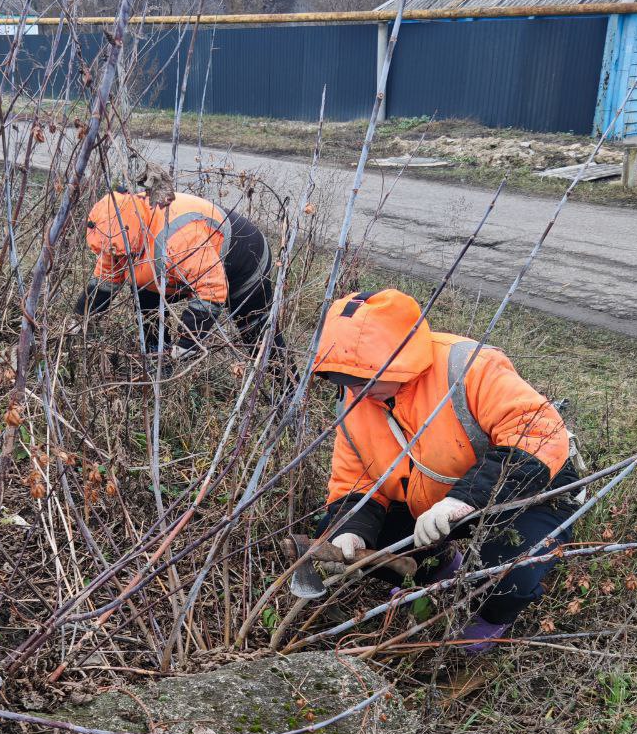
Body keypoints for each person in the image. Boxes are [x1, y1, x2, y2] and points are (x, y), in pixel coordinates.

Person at [311, 288, 580, 654]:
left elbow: (537, 435)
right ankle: (443, 571)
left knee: (504, 576)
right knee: (356, 541)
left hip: (531, 489)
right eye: (344, 381)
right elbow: (354, 481)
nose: (355, 391)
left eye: (366, 379)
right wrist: (350, 533)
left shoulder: (469, 367)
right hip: (434, 503)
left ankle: (487, 620)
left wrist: (461, 501)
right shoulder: (357, 399)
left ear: (399, 361)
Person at [70, 181, 283, 364]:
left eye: (120, 253)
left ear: (134, 233)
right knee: (144, 288)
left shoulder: (178, 237)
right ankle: (157, 355)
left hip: (243, 256)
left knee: (255, 332)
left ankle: (287, 394)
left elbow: (211, 292)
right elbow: (104, 282)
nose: (117, 258)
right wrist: (80, 320)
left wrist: (187, 343)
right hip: (187, 263)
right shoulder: (116, 236)